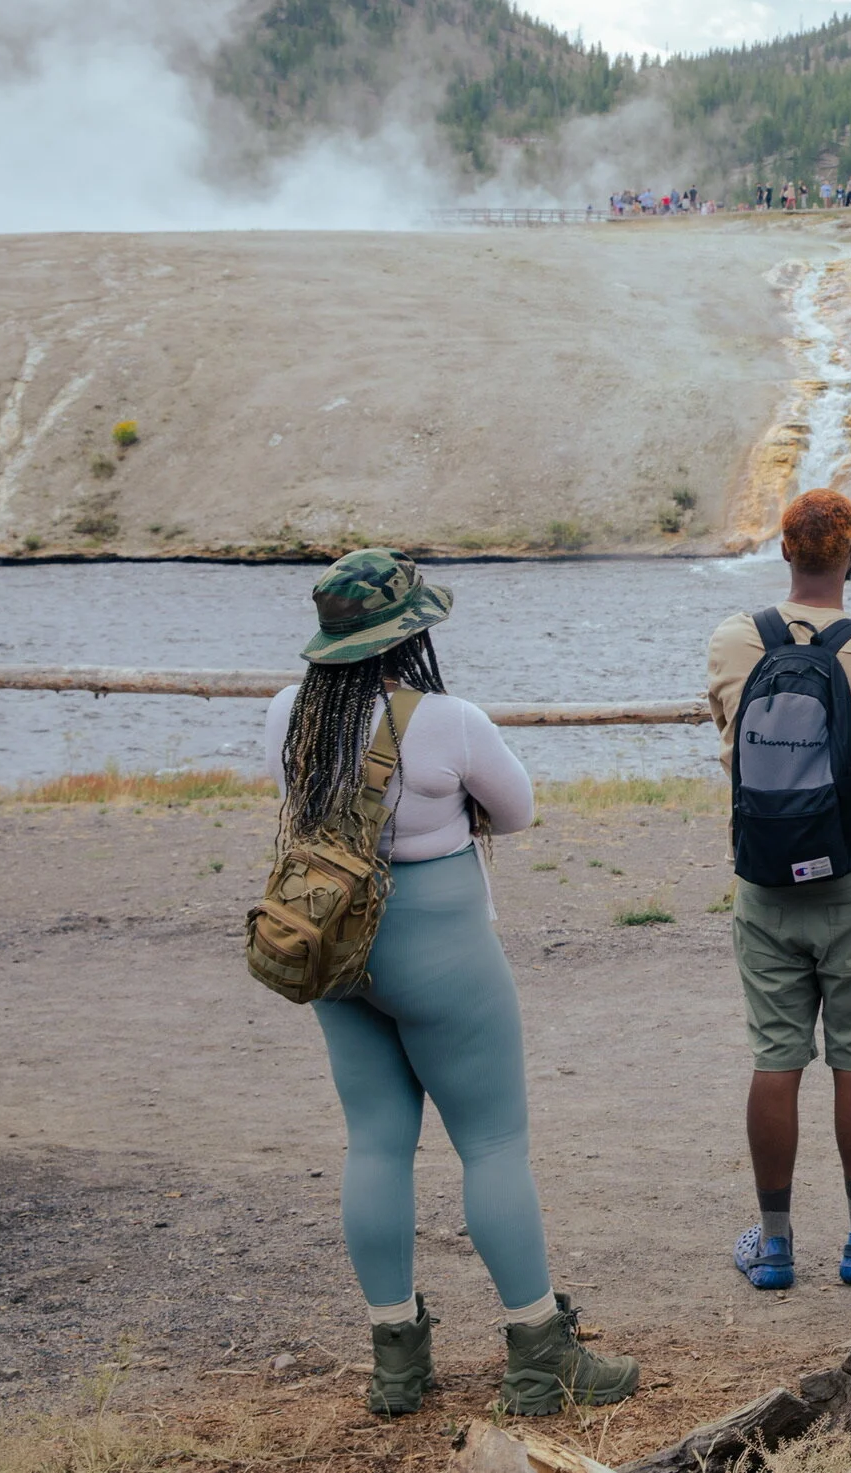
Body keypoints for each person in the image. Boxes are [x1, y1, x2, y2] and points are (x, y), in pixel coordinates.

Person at [266, 550, 638, 1419]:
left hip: (334, 948)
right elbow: (517, 810)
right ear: (411, 633)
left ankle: (397, 1364)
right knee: (493, 1146)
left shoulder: (289, 711)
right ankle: (540, 1358)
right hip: (439, 947)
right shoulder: (449, 720)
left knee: (375, 1144)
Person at [709, 490, 851, 1293]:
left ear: (783, 552)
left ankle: (773, 1245)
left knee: (776, 1059)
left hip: (763, 881)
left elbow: (730, 740)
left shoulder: (735, 641)